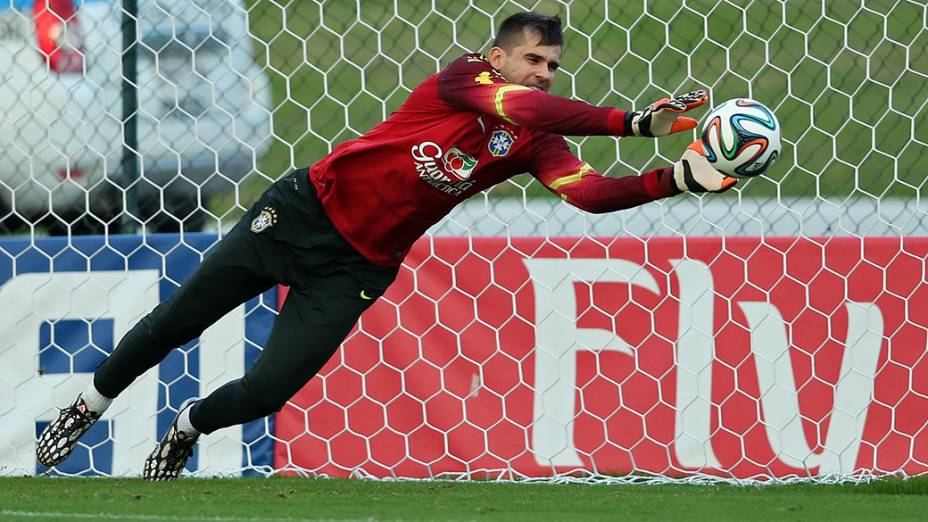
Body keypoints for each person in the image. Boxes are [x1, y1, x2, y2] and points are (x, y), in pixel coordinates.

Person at [36, 11, 736, 480]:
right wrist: (637, 121)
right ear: (497, 57)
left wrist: (677, 178)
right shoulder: (469, 82)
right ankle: (87, 407)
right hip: (304, 212)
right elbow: (521, 104)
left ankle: (189, 424)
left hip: (357, 266)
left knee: (270, 388)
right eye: (533, 58)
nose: (544, 73)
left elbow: (586, 193)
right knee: (179, 321)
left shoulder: (537, 138)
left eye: (552, 64)